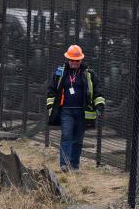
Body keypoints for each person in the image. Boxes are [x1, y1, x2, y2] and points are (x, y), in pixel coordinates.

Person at [45, 44, 105, 172]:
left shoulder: (89, 74)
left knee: (78, 140)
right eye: (72, 60)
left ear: (81, 60)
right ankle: (64, 165)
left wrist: (99, 105)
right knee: (66, 135)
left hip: (82, 112)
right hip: (66, 111)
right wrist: (51, 107)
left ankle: (74, 166)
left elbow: (97, 92)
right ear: (67, 59)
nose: (74, 62)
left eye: (76, 60)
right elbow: (51, 90)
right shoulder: (59, 72)